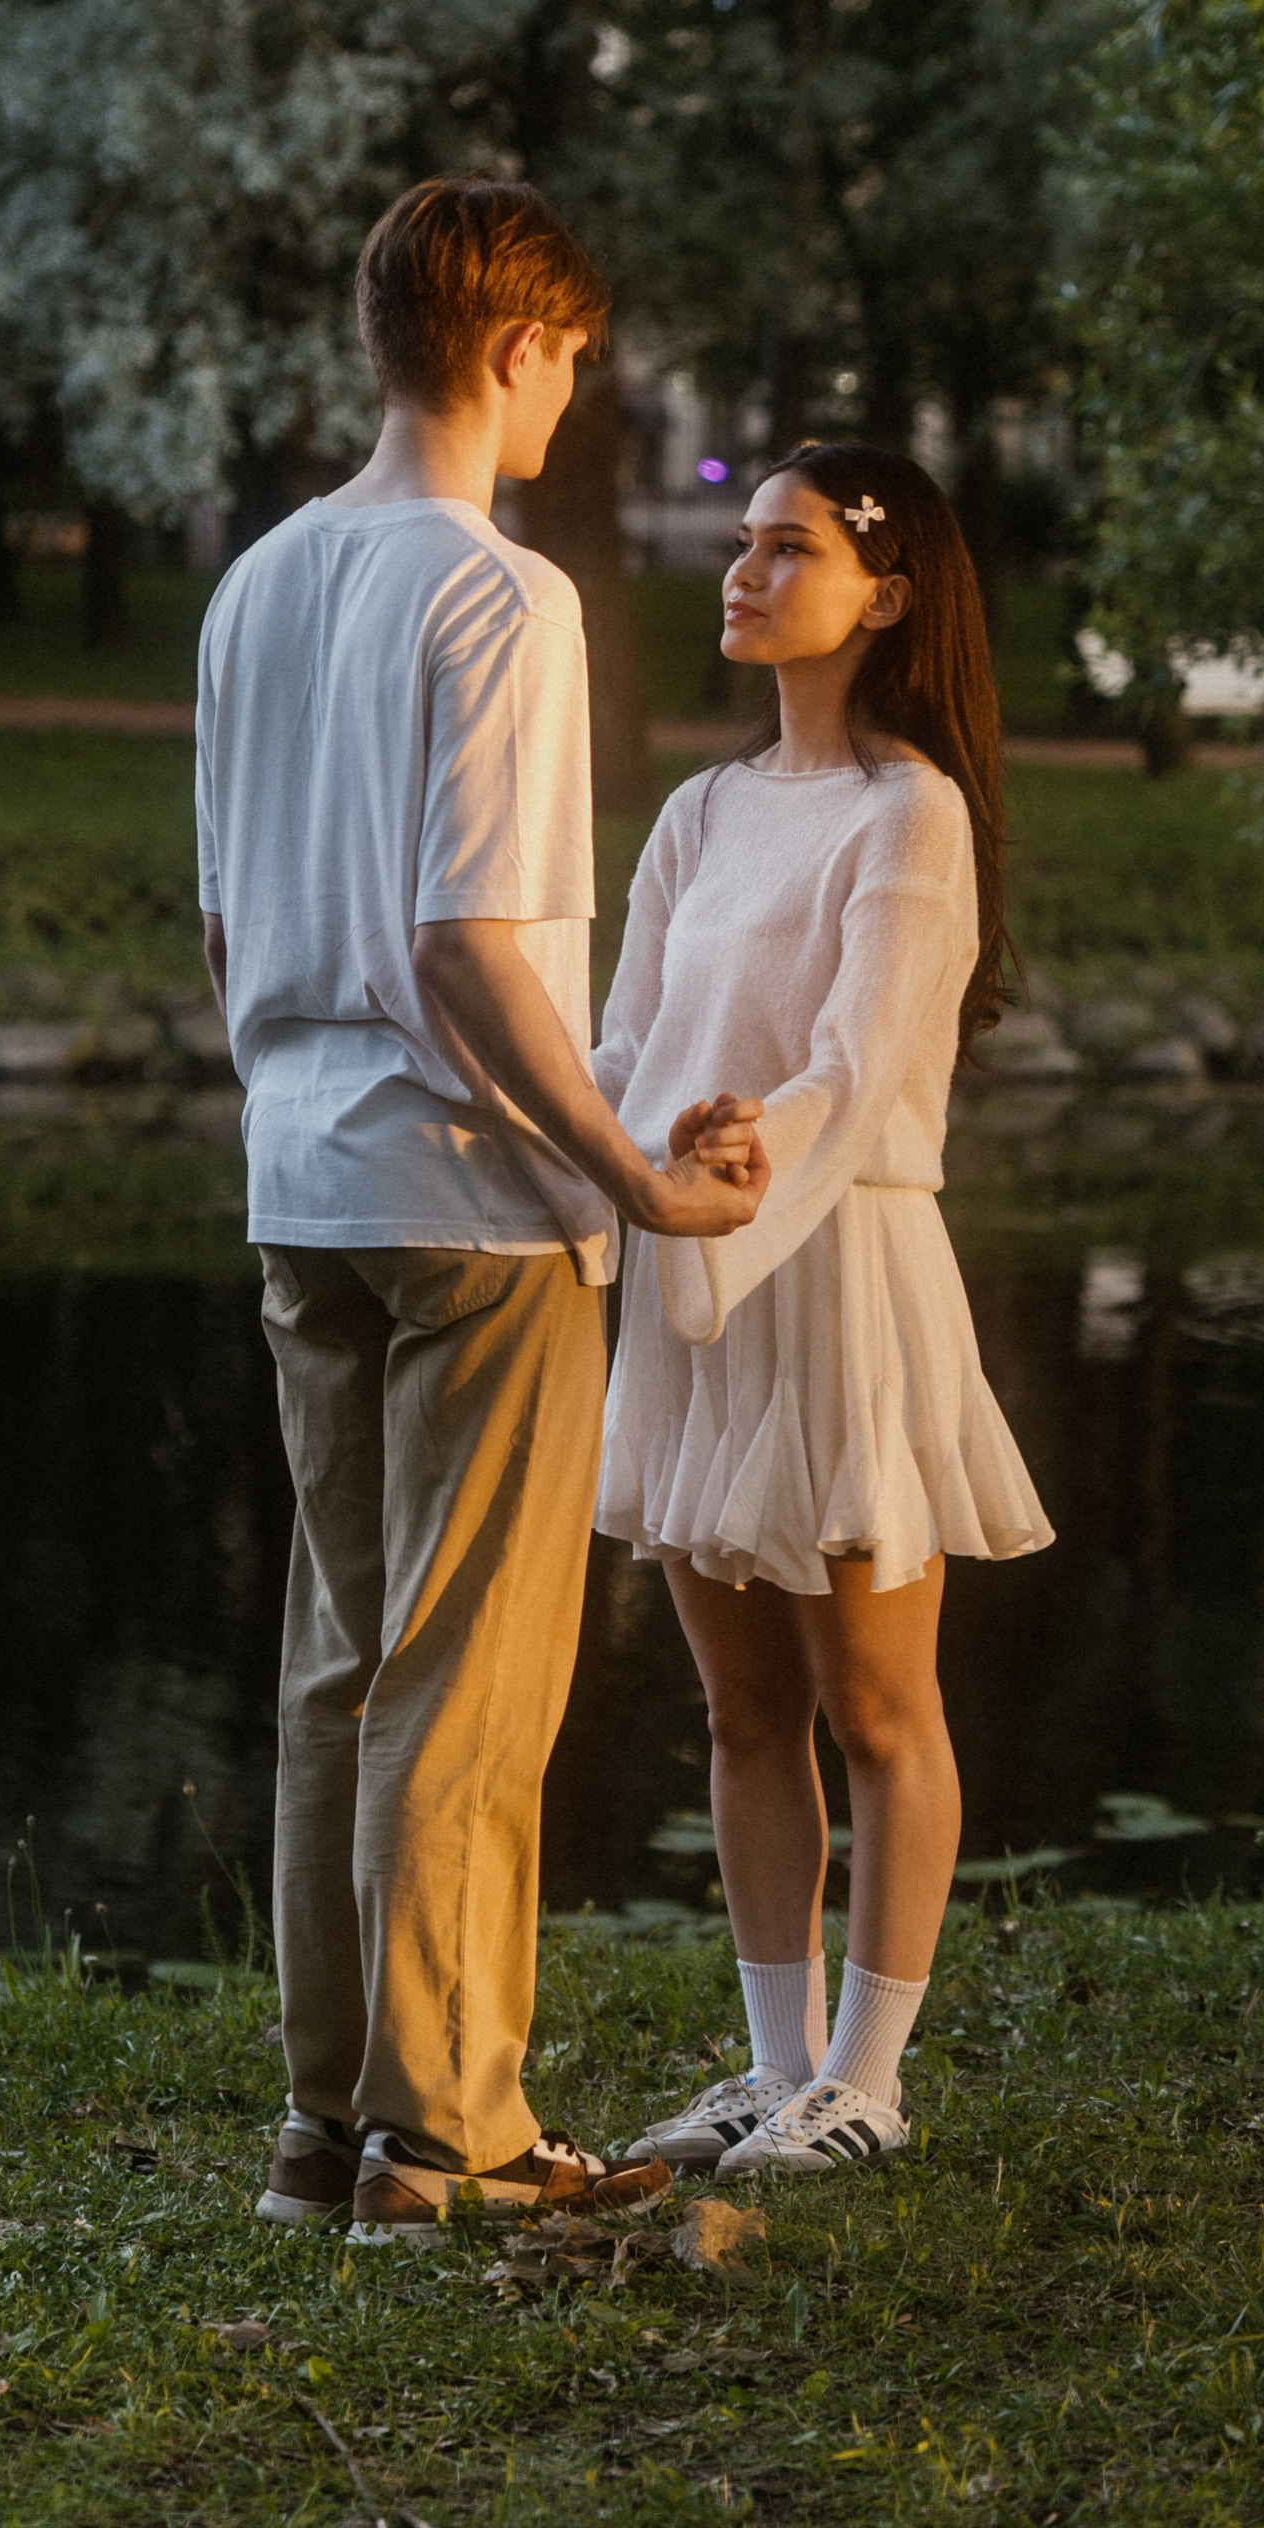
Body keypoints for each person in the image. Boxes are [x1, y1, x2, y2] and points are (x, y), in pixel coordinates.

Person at [193, 176, 770, 2247]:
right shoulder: (500, 596)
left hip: (299, 1183)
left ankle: (325, 2128)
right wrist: (632, 1181)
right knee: (465, 1681)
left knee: (340, 1658)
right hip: (473, 1209)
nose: (564, 416)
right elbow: (468, 950)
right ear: (520, 347)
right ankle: (453, 2141)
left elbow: (219, 923)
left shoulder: (254, 583)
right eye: (568, 376)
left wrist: (291, 1103)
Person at [593, 440, 1052, 2178]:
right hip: (692, 1279)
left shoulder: (910, 812)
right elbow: (625, 1046)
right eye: (739, 542)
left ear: (888, 592)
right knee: (736, 1708)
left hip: (838, 1274)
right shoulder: (700, 814)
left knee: (876, 1703)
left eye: (786, 547)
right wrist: (638, 1157)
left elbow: (860, 1071)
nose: (742, 571)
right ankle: (772, 2066)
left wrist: (741, 1149)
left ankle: (871, 2079)